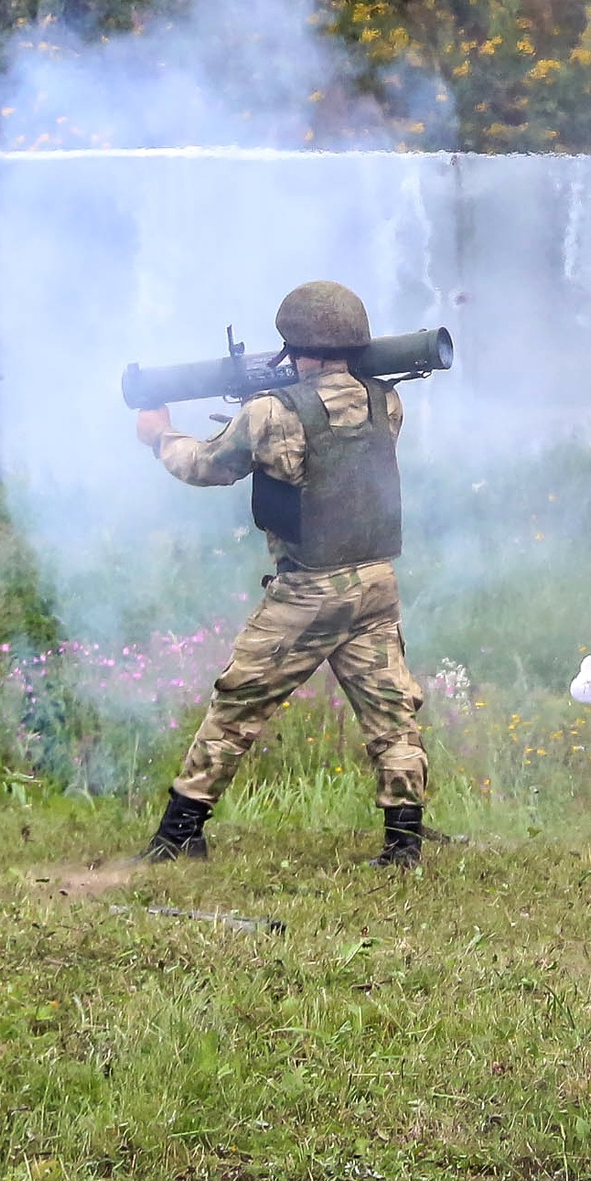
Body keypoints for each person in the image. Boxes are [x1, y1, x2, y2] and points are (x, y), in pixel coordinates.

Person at [130, 280, 431, 868]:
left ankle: (179, 833)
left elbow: (206, 466)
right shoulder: (386, 401)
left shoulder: (270, 412)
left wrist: (158, 435)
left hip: (309, 590)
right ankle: (404, 843)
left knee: (237, 702)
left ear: (296, 344)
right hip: (374, 582)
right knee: (391, 713)